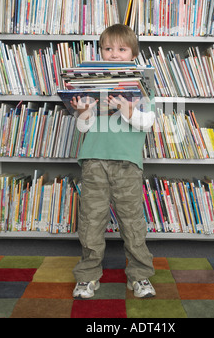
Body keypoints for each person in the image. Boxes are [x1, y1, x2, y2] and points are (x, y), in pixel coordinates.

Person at [70, 24, 156, 299]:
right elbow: (84, 129)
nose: (114, 54)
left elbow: (147, 123)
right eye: (108, 49)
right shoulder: (91, 85)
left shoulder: (142, 87)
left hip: (127, 165)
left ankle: (140, 276)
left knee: (132, 222)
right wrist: (83, 113)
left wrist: (128, 110)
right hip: (94, 161)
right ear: (100, 53)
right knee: (91, 221)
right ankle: (87, 276)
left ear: (133, 55)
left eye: (122, 49)